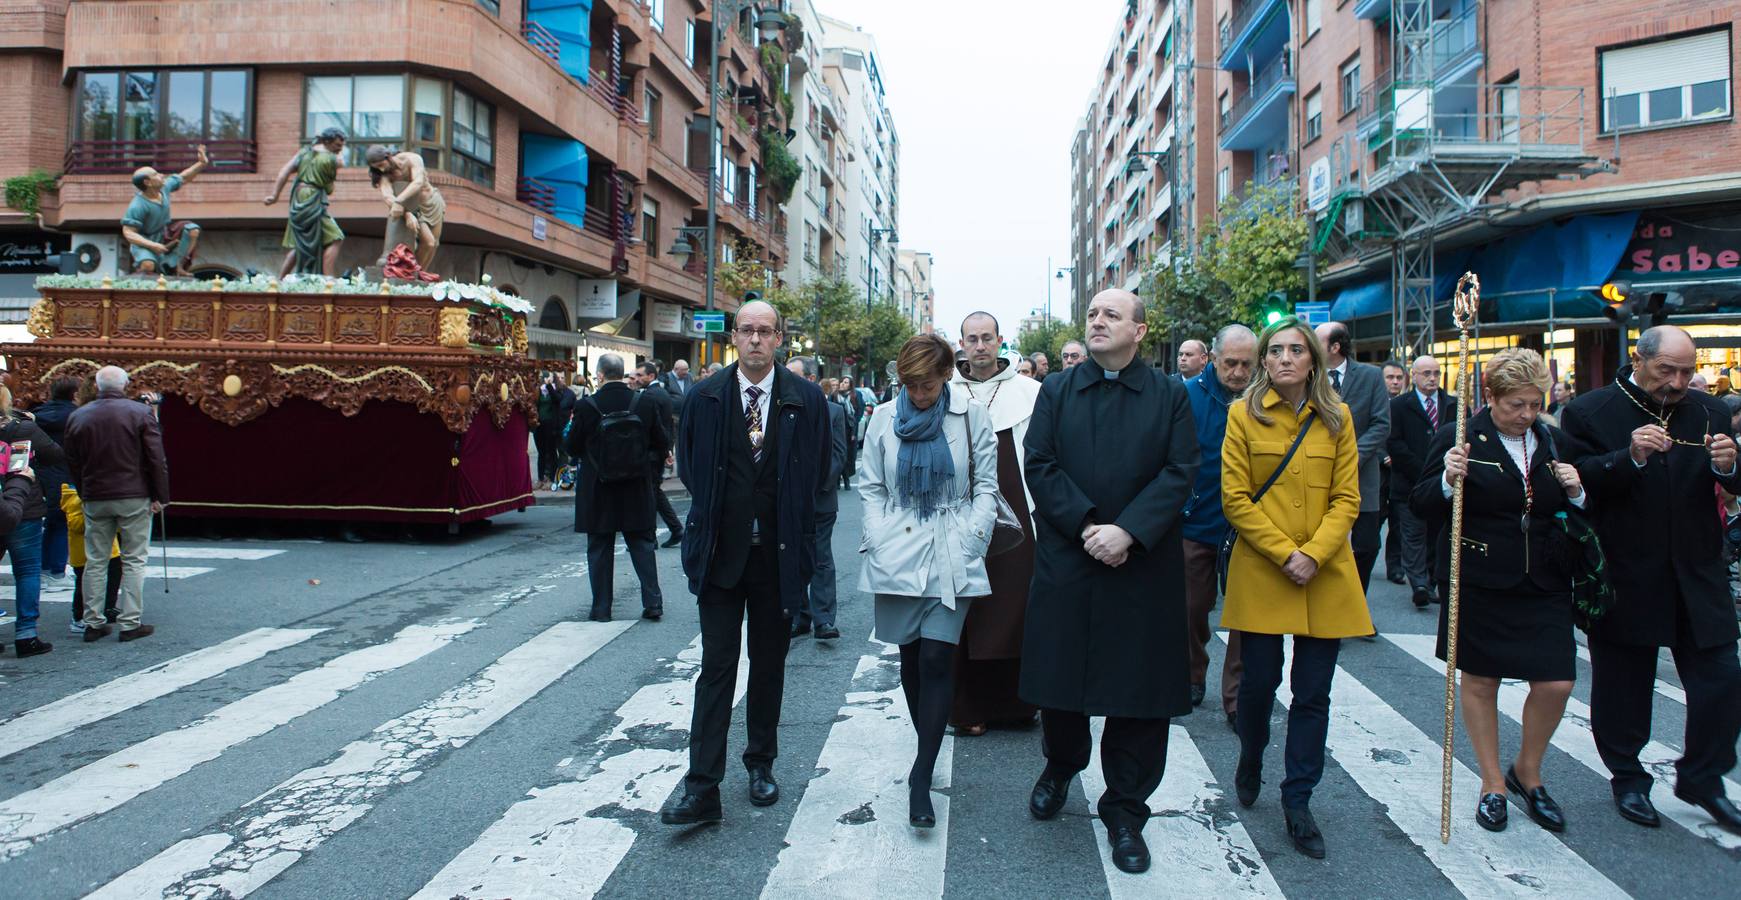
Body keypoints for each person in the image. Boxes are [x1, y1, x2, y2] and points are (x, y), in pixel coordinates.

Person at [1021, 289, 1199, 875]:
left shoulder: (1170, 394)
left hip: (1141, 563)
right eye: (1093, 313)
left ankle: (1125, 808)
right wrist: (1087, 524)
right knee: (1061, 680)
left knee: (1138, 695)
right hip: (1072, 557)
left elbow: (1180, 472)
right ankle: (1062, 763)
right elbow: (1039, 464)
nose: (1097, 321)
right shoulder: (1057, 390)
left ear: (1140, 332)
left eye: (1111, 314)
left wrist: (1128, 532)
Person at [1560, 325, 1741, 835]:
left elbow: (1732, 482)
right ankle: (1629, 778)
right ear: (1639, 361)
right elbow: (1575, 484)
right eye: (1668, 371)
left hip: (1699, 568)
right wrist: (1631, 457)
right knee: (1624, 685)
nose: (1679, 382)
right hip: (1626, 569)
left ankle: (1703, 778)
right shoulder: (1590, 411)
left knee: (1723, 677)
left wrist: (1730, 467)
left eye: (1687, 372)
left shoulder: (1711, 410)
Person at [662, 301, 830, 826]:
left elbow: (820, 471)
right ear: (734, 337)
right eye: (747, 330)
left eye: (766, 331)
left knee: (769, 666)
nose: (756, 339)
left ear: (780, 338)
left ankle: (761, 764)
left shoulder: (806, 399)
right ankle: (702, 786)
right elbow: (689, 466)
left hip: (778, 559)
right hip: (719, 555)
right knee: (716, 668)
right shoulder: (704, 397)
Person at [1412, 348, 1583, 833]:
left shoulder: (1552, 439)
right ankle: (1492, 781)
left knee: (1556, 681)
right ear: (1490, 397)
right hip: (1480, 576)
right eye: (1516, 406)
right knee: (1481, 682)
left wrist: (1577, 491)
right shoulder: (1458, 438)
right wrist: (1448, 480)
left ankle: (1528, 769)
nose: (1527, 415)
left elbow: (1578, 509)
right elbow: (1419, 502)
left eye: (1534, 404)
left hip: (1545, 579)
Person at [1220, 316, 1368, 859]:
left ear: (1315, 360)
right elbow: (1235, 498)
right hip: (1264, 568)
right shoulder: (1243, 415)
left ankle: (1298, 798)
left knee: (1313, 693)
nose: (1284, 358)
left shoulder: (1339, 418)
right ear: (1264, 360)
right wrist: (1286, 553)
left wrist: (1314, 553)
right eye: (1274, 350)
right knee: (1258, 683)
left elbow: (1347, 498)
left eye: (1295, 350)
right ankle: (1252, 751)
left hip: (1325, 571)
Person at [859, 334, 1000, 828]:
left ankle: (921, 775)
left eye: (928, 383)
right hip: (898, 547)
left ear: (946, 375)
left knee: (939, 656)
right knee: (911, 658)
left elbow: (986, 484)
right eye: (911, 384)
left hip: (949, 545)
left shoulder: (970, 415)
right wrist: (877, 536)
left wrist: (972, 538)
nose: (920, 393)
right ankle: (928, 746)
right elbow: (871, 486)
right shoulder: (880, 419)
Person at [951, 312, 1044, 737]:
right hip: (956, 512)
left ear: (1000, 341)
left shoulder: (1030, 392)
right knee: (963, 604)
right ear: (963, 343)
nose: (981, 346)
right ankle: (967, 706)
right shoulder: (944, 388)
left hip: (1017, 505)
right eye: (973, 339)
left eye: (988, 338)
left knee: (1013, 601)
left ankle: (1015, 705)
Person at [1181, 324, 1258, 726]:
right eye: (1231, 363)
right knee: (1192, 607)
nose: (1239, 372)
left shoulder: (1265, 399)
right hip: (1197, 521)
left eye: (1248, 364)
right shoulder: (1188, 395)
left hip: (1249, 529)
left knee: (1244, 614)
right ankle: (1193, 673)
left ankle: (1237, 697)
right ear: (1213, 358)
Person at [62, 366, 169, 643]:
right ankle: (130, 622)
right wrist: (160, 495)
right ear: (125, 385)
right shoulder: (140, 413)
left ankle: (93, 621)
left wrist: (83, 490)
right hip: (133, 492)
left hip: (96, 494)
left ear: (97, 386)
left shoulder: (78, 416)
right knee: (134, 559)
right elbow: (155, 458)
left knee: (95, 559)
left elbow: (72, 460)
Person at [566, 354, 667, 622]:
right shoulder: (643, 402)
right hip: (636, 484)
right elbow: (661, 441)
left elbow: (572, 446)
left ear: (599, 374)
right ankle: (653, 601)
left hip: (598, 487)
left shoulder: (587, 406)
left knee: (599, 547)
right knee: (642, 544)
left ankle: (601, 608)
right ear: (623, 373)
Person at [1314, 322, 1390, 608]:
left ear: (1335, 347)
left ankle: (1353, 603)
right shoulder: (1309, 376)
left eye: (1317, 340)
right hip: (1317, 474)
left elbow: (1381, 424)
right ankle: (1327, 606)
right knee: (1326, 543)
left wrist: (1351, 456)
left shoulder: (1370, 376)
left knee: (1367, 544)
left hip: (1362, 475)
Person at [0, 386, 65, 658]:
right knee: (26, 570)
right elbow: (55, 455)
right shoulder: (22, 428)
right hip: (24, 503)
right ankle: (26, 634)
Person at [1388, 355, 1456, 609]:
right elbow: (1394, 443)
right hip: (1409, 483)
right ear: (1413, 376)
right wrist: (1422, 471)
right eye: (1426, 373)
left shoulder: (1453, 405)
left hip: (1443, 484)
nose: (1432, 378)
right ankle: (1419, 584)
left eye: (1436, 373)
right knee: (1413, 534)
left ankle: (1431, 579)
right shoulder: (1399, 406)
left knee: (1436, 534)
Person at [787, 356, 846, 640]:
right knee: (793, 556)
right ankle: (800, 614)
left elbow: (838, 456)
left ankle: (823, 619)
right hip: (788, 500)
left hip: (820, 500)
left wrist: (813, 485)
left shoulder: (833, 411)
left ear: (810, 379)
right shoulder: (780, 409)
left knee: (821, 558)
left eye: (793, 375)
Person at [266, 127, 347, 277]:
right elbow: (330, 189)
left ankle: (280, 279)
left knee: (300, 244)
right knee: (336, 237)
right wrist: (338, 157)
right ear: (327, 142)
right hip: (313, 200)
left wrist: (275, 195)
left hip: (298, 199)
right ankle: (329, 278)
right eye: (337, 146)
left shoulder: (304, 152)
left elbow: (284, 171)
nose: (339, 149)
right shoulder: (330, 159)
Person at [120, 145, 209, 276]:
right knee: (148, 266)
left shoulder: (164, 187)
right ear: (148, 182)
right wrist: (152, 245)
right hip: (145, 240)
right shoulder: (137, 205)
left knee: (192, 230)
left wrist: (201, 163)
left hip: (165, 234)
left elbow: (183, 177)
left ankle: (178, 266)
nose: (161, 175)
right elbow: (128, 233)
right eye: (155, 174)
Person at [30, 377, 78, 596]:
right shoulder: (77, 417)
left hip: (40, 475)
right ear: (74, 394)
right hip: (67, 473)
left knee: (47, 523)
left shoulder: (37, 416)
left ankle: (42, 568)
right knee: (61, 523)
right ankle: (57, 570)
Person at [365, 144, 445, 271]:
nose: (381, 170)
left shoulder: (412, 159)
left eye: (381, 165)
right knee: (428, 242)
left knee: (433, 244)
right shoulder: (385, 176)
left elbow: (418, 182)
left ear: (388, 157)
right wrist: (406, 212)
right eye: (377, 168)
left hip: (433, 201)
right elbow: (387, 196)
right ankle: (411, 274)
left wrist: (399, 201)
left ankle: (419, 275)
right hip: (414, 207)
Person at [634, 362, 684, 547]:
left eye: (640, 375)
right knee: (655, 492)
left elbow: (655, 427)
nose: (637, 379)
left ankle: (653, 535)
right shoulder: (661, 394)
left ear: (651, 376)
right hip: (658, 450)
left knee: (651, 494)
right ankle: (675, 528)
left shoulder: (650, 396)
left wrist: (664, 450)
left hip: (652, 452)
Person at [1380, 360, 1408, 584]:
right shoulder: (1374, 402)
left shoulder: (1407, 405)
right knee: (1372, 524)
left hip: (1399, 473)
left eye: (1399, 378)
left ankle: (1395, 567)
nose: (1395, 381)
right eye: (1390, 377)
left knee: (1398, 524)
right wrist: (1383, 456)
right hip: (1377, 473)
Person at [534, 374, 575, 491]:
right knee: (541, 453)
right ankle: (540, 479)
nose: (547, 379)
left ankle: (553, 479)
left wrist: (549, 387)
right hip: (540, 425)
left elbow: (557, 400)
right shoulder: (539, 391)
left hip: (553, 426)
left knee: (553, 453)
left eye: (562, 377)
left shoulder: (558, 391)